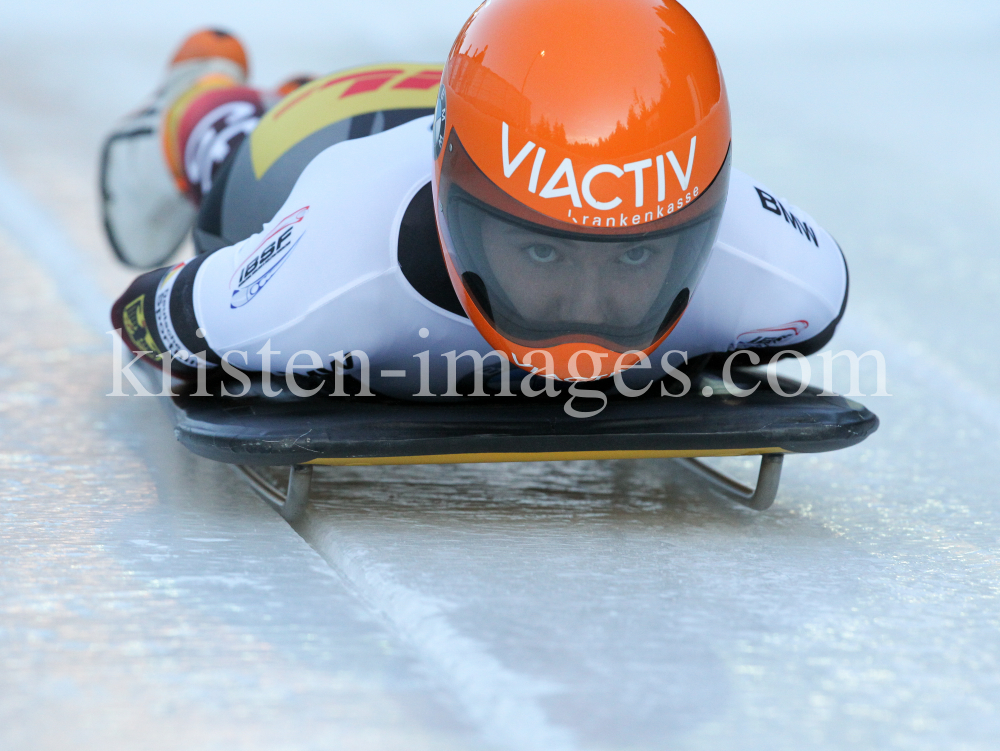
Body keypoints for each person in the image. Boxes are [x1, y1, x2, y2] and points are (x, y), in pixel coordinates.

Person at [106, 0, 847, 401]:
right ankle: (201, 100)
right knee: (242, 166)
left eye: (639, 253)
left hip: (498, 100)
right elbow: (146, 315)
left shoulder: (785, 271)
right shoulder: (328, 264)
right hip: (334, 138)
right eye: (543, 248)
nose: (585, 306)